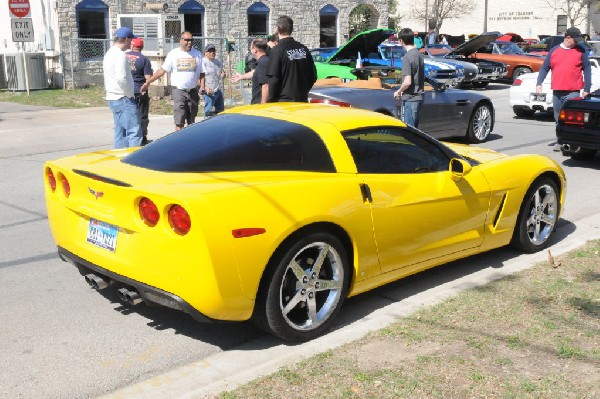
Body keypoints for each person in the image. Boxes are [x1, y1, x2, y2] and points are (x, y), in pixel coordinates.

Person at [140, 31, 204, 131]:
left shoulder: (197, 54)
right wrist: (149, 82)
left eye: (191, 40)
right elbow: (162, 70)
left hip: (193, 91)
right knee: (179, 119)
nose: (189, 42)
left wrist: (202, 86)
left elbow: (202, 72)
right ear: (181, 40)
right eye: (187, 40)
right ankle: (179, 142)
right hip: (179, 91)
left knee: (192, 120)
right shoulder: (174, 54)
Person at [536, 27, 592, 123]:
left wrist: (587, 89)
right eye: (576, 40)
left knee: (572, 120)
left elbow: (587, 69)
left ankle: (571, 137)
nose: (577, 42)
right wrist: (539, 83)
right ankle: (561, 137)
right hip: (557, 91)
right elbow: (545, 67)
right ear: (568, 38)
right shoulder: (554, 50)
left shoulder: (581, 51)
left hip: (573, 92)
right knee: (558, 120)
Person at [103, 27, 142, 149]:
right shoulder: (120, 55)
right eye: (131, 40)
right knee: (134, 131)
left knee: (120, 132)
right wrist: (129, 94)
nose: (132, 43)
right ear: (126, 39)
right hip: (123, 98)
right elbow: (121, 78)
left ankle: (119, 159)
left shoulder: (109, 53)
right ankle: (134, 161)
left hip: (112, 97)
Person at [266, 15, 317, 102]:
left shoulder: (277, 50)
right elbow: (313, 76)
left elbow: (274, 79)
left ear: (277, 29)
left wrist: (271, 100)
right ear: (292, 29)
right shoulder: (303, 49)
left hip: (284, 103)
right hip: (302, 100)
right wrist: (303, 91)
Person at [393, 28, 425, 128]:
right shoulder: (419, 54)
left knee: (409, 131)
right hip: (419, 98)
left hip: (410, 99)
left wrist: (398, 91)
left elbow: (407, 82)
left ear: (401, 40)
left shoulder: (407, 57)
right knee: (415, 132)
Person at [126, 37, 153, 145]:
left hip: (126, 91)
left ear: (132, 45)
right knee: (142, 115)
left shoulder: (123, 57)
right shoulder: (144, 59)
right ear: (142, 47)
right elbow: (148, 77)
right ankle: (143, 137)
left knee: (129, 115)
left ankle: (129, 137)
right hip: (140, 90)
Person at [231, 38, 270, 104]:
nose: (250, 50)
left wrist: (263, 105)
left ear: (255, 50)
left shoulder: (263, 63)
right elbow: (255, 72)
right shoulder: (265, 60)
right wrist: (241, 76)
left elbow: (265, 85)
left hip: (260, 105)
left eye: (251, 48)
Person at [200, 44, 225, 118]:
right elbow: (198, 78)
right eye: (210, 51)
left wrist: (224, 74)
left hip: (218, 90)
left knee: (221, 112)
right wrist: (205, 87)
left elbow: (222, 72)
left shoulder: (217, 62)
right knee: (208, 112)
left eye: (213, 51)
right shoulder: (203, 62)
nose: (212, 53)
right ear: (205, 53)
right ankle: (206, 126)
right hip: (208, 91)